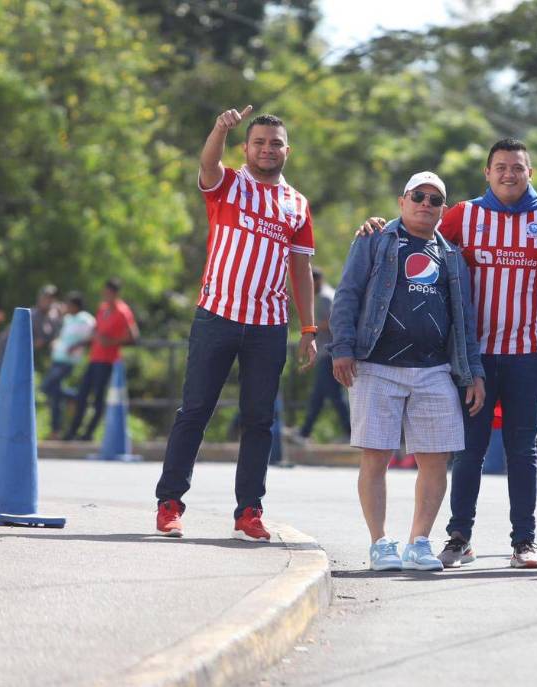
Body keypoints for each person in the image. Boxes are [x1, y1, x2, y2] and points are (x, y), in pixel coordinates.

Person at [358, 138, 537, 568]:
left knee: (522, 449)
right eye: (500, 167)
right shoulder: (465, 214)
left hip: (529, 351)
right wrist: (377, 225)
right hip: (473, 355)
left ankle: (524, 542)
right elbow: (417, 227)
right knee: (470, 449)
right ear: (488, 172)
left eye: (517, 167)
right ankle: (459, 537)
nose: (508, 174)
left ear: (529, 173)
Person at [154, 106, 317, 542]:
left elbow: (300, 270)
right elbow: (207, 164)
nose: (267, 149)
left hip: (268, 326)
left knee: (259, 421)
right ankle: (169, 503)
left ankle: (249, 511)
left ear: (287, 150)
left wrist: (308, 330)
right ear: (246, 148)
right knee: (194, 412)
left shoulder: (297, 205)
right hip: (217, 315)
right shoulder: (228, 183)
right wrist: (218, 128)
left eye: (275, 143)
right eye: (259, 142)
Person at [330, 171, 485, 572]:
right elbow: (348, 293)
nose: (425, 204)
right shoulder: (375, 239)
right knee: (376, 457)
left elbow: (464, 319)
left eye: (435, 200)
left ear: (443, 210)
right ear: (402, 201)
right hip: (376, 364)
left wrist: (473, 372)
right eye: (418, 195)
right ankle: (380, 542)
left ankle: (419, 542)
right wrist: (341, 348)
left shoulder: (451, 255)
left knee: (436, 459)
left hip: (434, 369)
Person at [64, 278, 138, 441]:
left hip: (108, 361)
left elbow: (133, 337)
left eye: (109, 292)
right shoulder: (103, 308)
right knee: (82, 395)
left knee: (98, 399)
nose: (106, 295)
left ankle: (88, 433)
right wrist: (79, 343)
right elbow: (96, 332)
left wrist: (111, 342)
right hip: (94, 358)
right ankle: (72, 432)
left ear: (116, 293)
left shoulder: (122, 311)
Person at [297, 268, 350, 441]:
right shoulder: (323, 296)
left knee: (334, 396)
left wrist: (312, 329)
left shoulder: (326, 297)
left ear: (318, 280)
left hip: (329, 353)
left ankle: (351, 433)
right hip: (325, 353)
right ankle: (305, 432)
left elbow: (334, 321)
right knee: (318, 397)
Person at [41, 292, 95, 439]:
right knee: (54, 395)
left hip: (68, 360)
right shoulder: (68, 319)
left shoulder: (86, 319)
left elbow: (90, 337)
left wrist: (76, 346)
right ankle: (56, 429)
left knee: (47, 387)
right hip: (58, 357)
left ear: (75, 305)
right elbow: (62, 335)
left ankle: (76, 397)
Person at [32, 284, 63, 353]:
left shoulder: (54, 318)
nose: (49, 300)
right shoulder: (31, 315)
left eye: (52, 298)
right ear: (39, 298)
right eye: (46, 297)